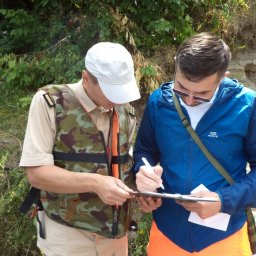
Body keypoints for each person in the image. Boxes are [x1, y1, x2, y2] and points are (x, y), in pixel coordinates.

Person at [133, 32, 256, 256]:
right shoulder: (159, 102)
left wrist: (223, 200)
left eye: (202, 94)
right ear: (175, 66)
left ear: (223, 77)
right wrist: (143, 179)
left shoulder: (247, 106)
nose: (189, 100)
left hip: (224, 238)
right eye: (181, 88)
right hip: (168, 232)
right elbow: (144, 151)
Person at [19, 42, 141, 256]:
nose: (117, 99)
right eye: (110, 91)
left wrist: (145, 185)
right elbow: (36, 174)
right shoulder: (50, 102)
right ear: (86, 77)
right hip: (67, 235)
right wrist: (95, 183)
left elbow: (124, 169)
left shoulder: (126, 112)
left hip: (115, 237)